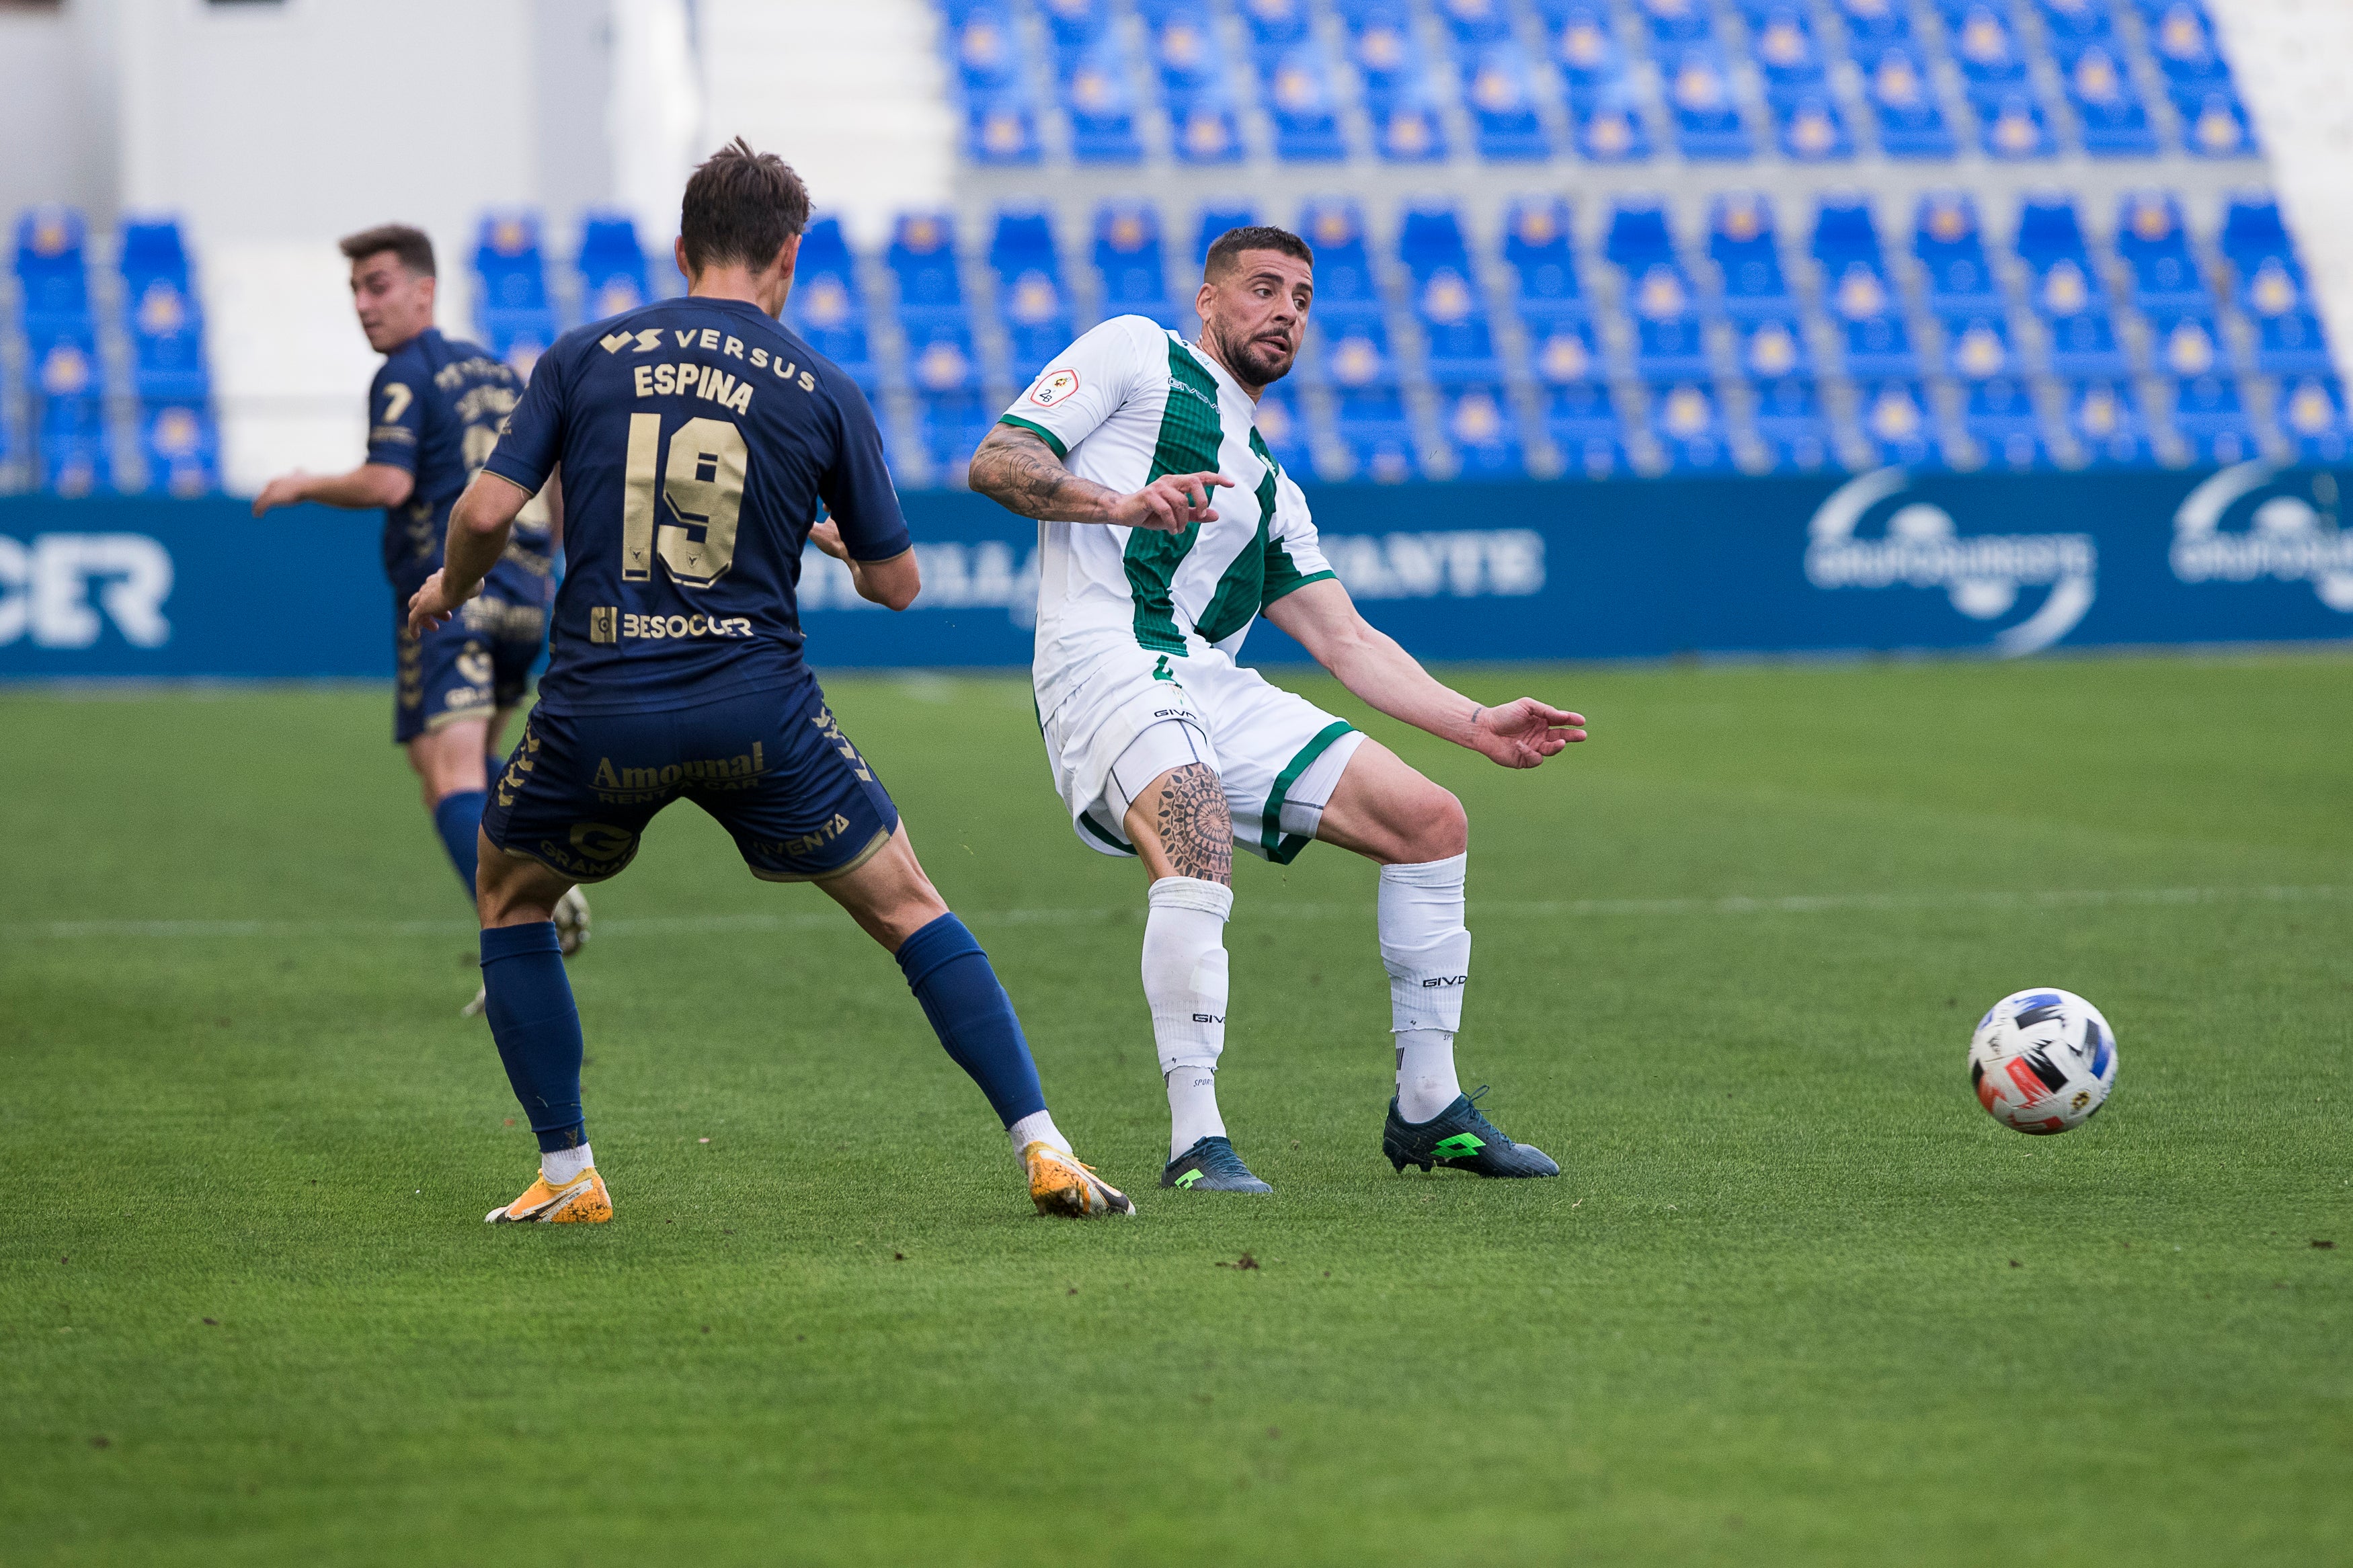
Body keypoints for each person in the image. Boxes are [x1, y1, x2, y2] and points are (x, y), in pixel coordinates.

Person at [405, 139, 1131, 1225]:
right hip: (758, 710)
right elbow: (899, 586)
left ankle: (569, 1174)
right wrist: (835, 542)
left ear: (685, 245)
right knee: (910, 906)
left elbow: (482, 514)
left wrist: (447, 590)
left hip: (602, 703)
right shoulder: (823, 386)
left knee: (510, 897)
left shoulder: (583, 354)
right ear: (789, 253)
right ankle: (1047, 1149)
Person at [967, 226, 1586, 1194]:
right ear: (1209, 301)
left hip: (1203, 680)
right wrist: (1118, 504)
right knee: (1195, 829)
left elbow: (1347, 642)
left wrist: (1476, 723)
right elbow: (998, 461)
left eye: (1301, 298)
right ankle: (1195, 1139)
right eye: (1263, 289)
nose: (1285, 312)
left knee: (1432, 824)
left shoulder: (1266, 482)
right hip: (1104, 656)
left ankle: (1428, 1109)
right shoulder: (1136, 350)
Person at [251, 224, 588, 1009]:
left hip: (453, 595)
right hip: (526, 594)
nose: (365, 306)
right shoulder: (498, 371)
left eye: (378, 286)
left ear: (422, 290)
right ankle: (549, 879)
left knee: (448, 775)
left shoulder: (404, 372)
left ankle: (527, 940)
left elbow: (387, 484)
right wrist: (548, 572)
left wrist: (304, 482)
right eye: (356, 292)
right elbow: (558, 476)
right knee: (470, 763)